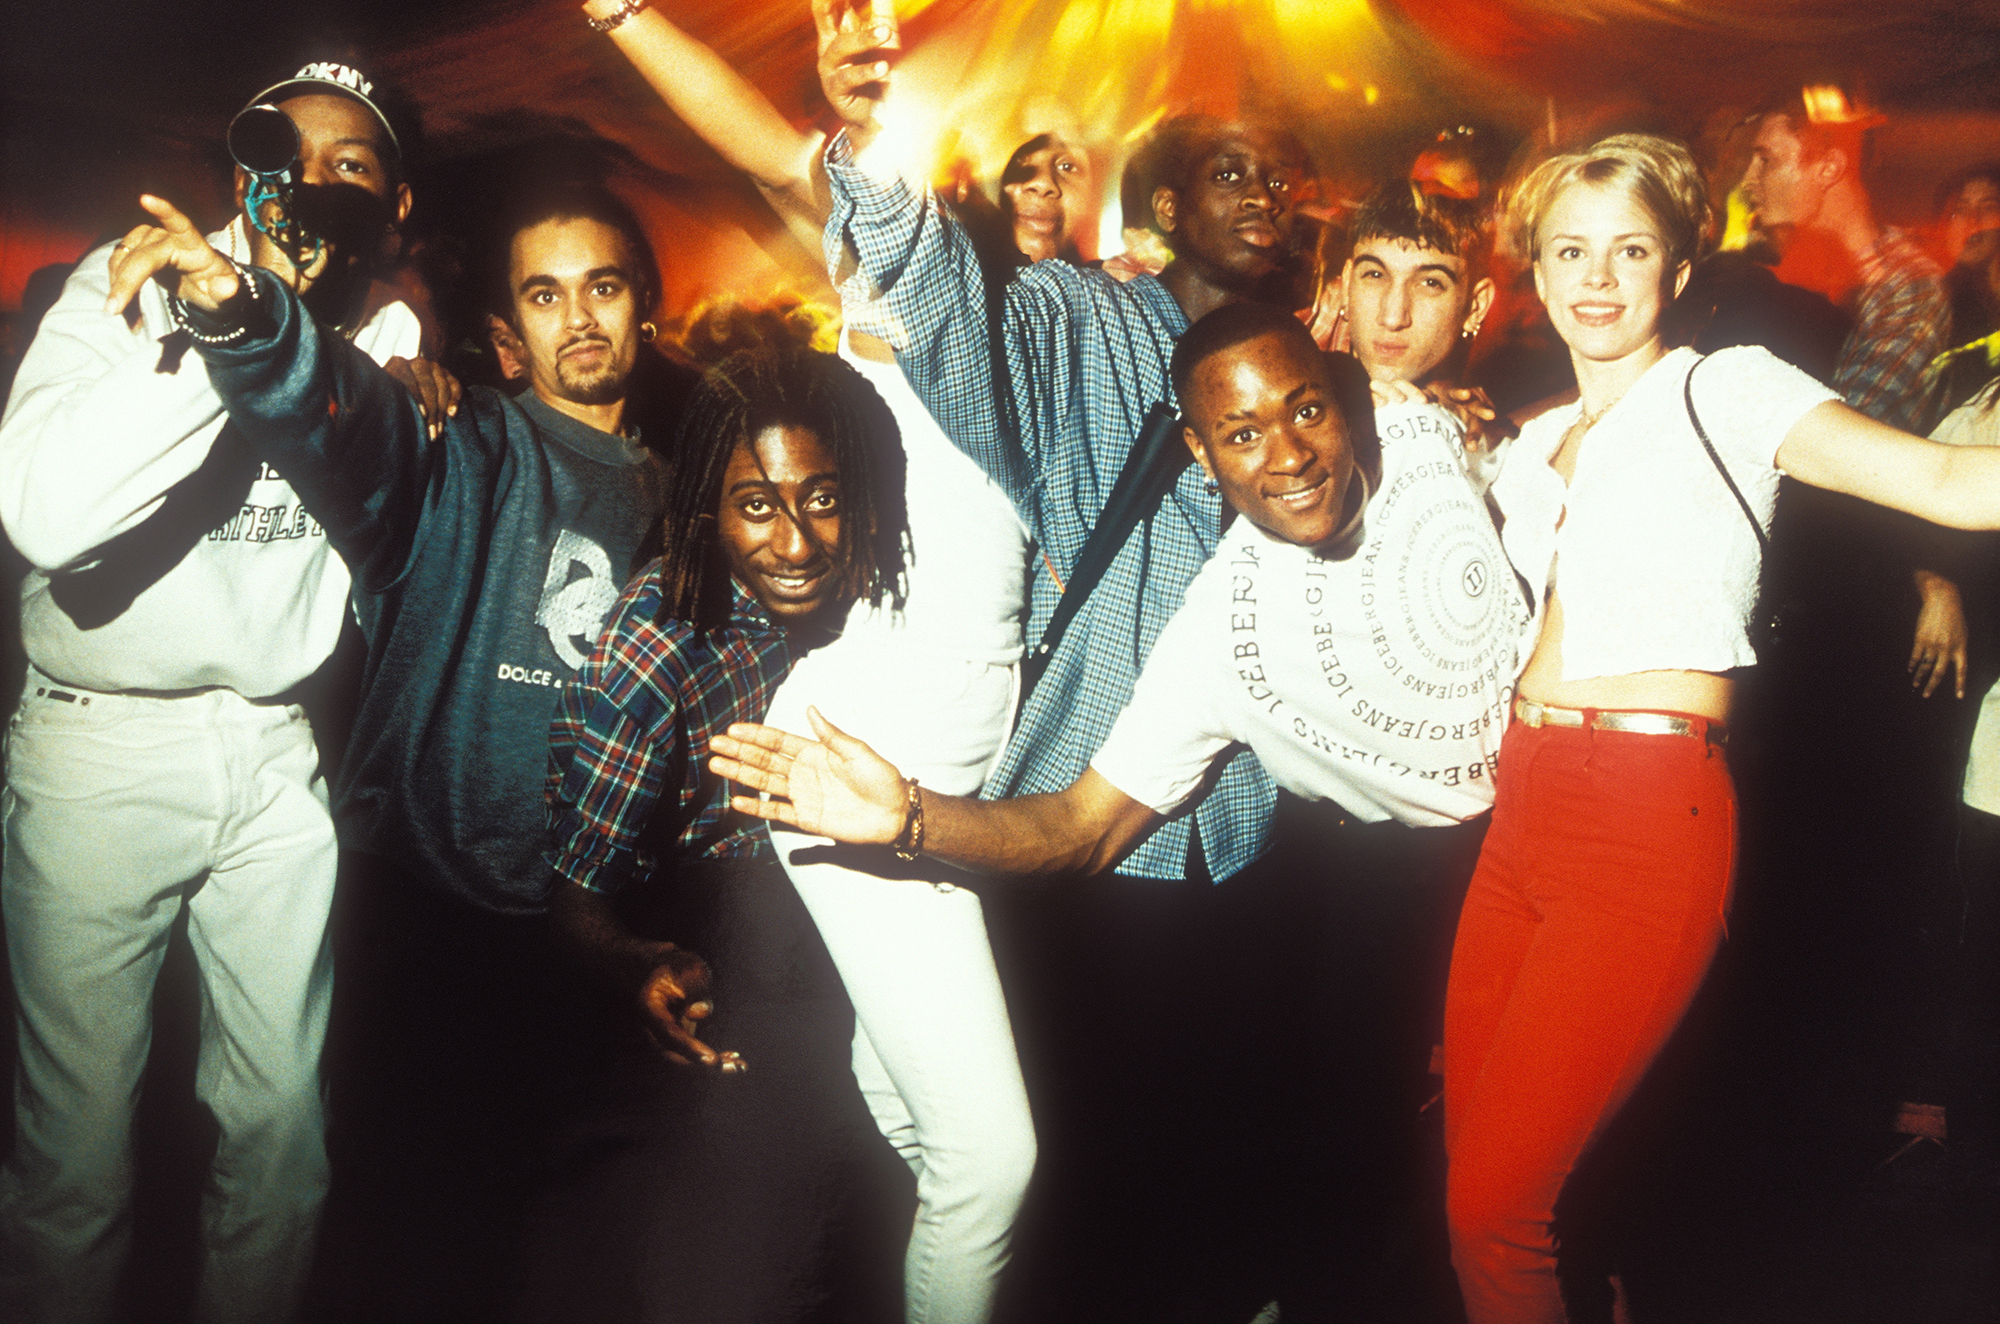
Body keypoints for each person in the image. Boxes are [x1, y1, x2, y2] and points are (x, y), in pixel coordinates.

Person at [711, 301, 1531, 1320]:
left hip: (1559, 837)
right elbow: (1080, 827)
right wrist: (912, 818)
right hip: (1433, 886)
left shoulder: (1414, 428)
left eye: (1305, 409)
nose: (1286, 452)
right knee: (1477, 1203)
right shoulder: (1212, 637)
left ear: (1342, 396)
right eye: (1239, 434)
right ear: (1199, 452)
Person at [572, 2, 1081, 1315]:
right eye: (1004, 172)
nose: (1036, 193)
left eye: (1058, 174)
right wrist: (627, 16)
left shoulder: (1049, 369)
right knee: (995, 1163)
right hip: (852, 776)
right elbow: (766, 152)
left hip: (928, 795)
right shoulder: (901, 317)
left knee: (927, 1141)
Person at [1446, 131, 2000, 1324]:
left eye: (1629, 248)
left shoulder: (1724, 385)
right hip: (1518, 809)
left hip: (1642, 819)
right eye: (1570, 251)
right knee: (1483, 1165)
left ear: (1676, 267)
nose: (1597, 278)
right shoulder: (1529, 446)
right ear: (1534, 275)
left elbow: (1950, 487)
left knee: (1494, 1208)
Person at [99, 174, 672, 1320]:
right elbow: (339, 425)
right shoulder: (458, 447)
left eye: (602, 287)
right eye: (546, 297)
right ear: (508, 338)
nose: (581, 319)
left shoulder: (695, 497)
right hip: (419, 918)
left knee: (543, 1248)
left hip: (583, 931)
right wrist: (242, 314)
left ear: (645, 308)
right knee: (391, 1238)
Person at [0, 59, 430, 1324]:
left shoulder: (390, 337)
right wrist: (219, 325)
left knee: (286, 1136)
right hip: (99, 755)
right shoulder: (122, 285)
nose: (308, 180)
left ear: (395, 205)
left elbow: (399, 531)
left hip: (271, 753)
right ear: (239, 172)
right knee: (72, 1161)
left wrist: (330, 352)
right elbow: (43, 511)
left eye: (350, 161)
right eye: (279, 151)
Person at [538, 347, 909, 1323]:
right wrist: (638, 963)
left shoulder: (881, 603)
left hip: (860, 940)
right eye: (757, 507)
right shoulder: (659, 640)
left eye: (821, 498)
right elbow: (577, 895)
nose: (795, 541)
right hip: (721, 947)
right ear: (710, 513)